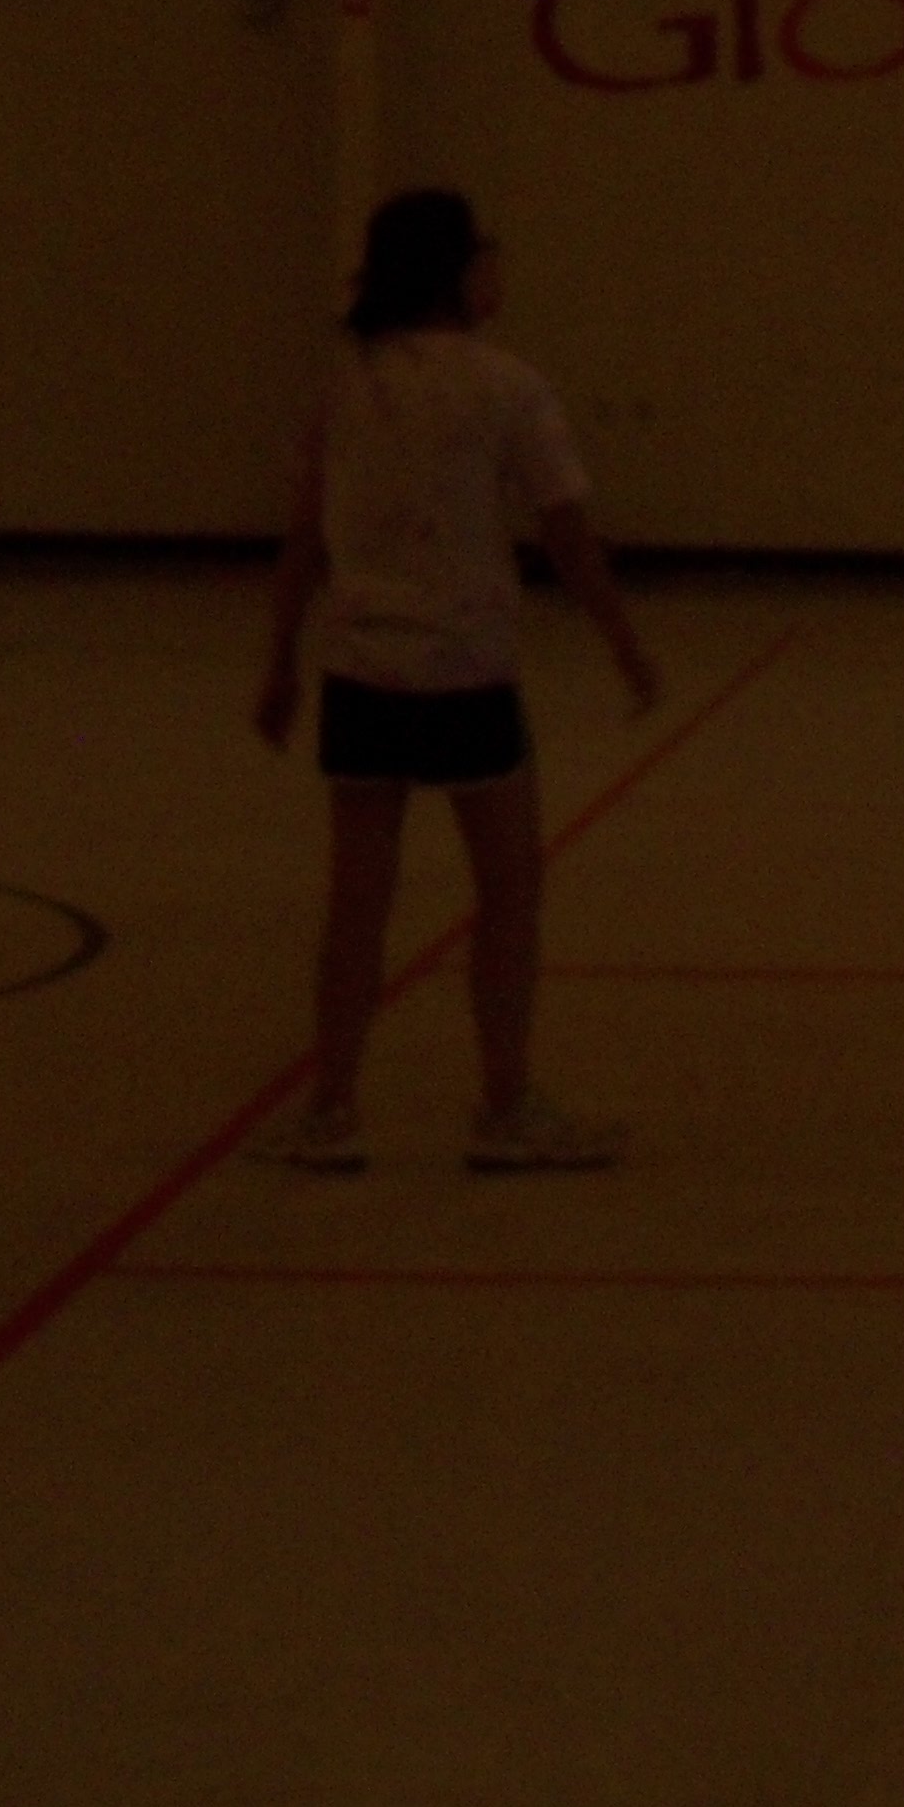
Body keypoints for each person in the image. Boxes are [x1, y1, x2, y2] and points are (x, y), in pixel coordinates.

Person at [252, 188, 660, 1174]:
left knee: (357, 901)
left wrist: (280, 662)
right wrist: (623, 639)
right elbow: (566, 532)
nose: (495, 270)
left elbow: (305, 539)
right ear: (454, 271)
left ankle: (330, 1110)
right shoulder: (507, 386)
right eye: (484, 255)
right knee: (510, 891)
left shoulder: (348, 386)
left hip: (361, 672)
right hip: (467, 673)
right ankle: (506, 1106)